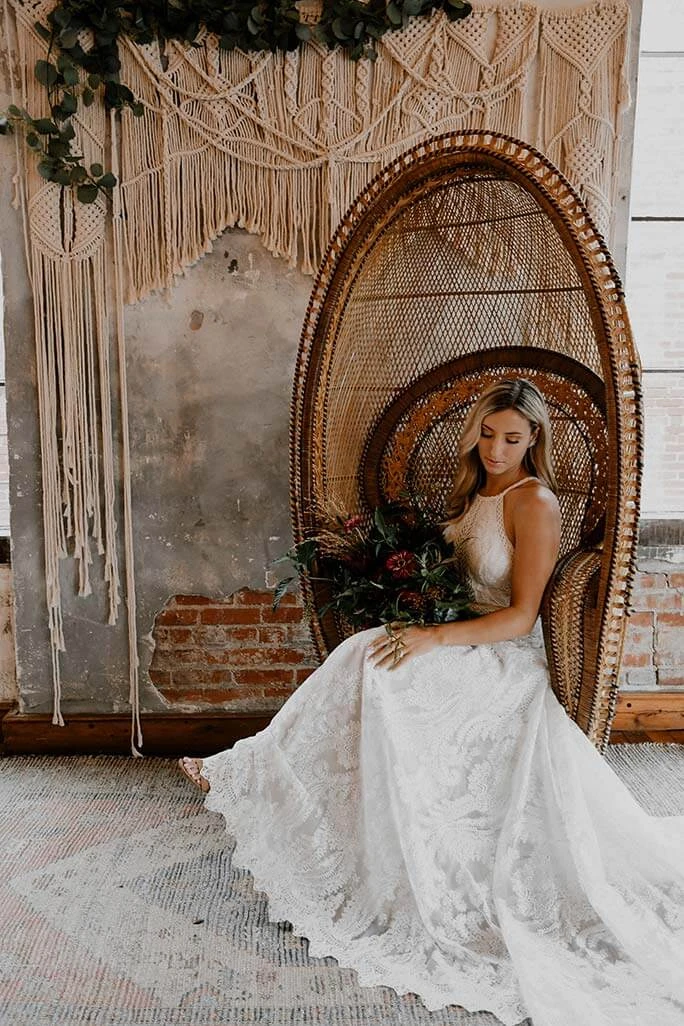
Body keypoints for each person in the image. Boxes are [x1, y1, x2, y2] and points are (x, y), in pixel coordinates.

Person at [179, 377, 684, 1026]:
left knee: (377, 664)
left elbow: (522, 616)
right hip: (454, 635)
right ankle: (275, 776)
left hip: (500, 656)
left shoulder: (535, 504)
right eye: (489, 433)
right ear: (475, 430)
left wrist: (433, 636)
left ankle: (256, 770)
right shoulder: (475, 491)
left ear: (534, 440)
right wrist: (415, 607)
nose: (497, 448)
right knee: (364, 654)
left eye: (512, 438)